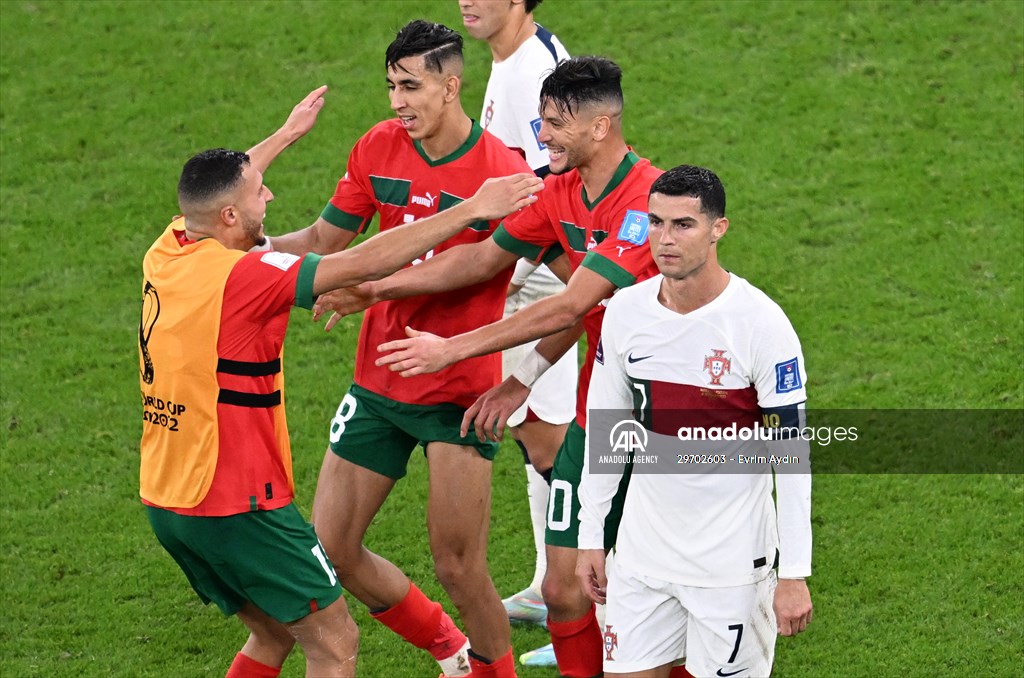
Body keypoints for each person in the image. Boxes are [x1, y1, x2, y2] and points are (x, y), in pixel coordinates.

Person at [138, 85, 543, 678]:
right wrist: (468, 210)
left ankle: (457, 652)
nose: (270, 194)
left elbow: (212, 195)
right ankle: (455, 649)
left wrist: (281, 137)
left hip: (167, 498)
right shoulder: (247, 277)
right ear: (230, 216)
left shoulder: (169, 247)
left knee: (275, 631)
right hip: (238, 499)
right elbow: (359, 263)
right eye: (258, 194)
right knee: (331, 641)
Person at [315, 55, 662, 678]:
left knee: (669, 587)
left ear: (601, 127)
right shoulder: (557, 190)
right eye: (541, 119)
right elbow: (479, 260)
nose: (542, 135)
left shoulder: (646, 204)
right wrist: (377, 290)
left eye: (555, 123)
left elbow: (574, 302)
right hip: (598, 412)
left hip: (669, 414)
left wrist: (453, 349)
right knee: (562, 591)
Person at [265, 20, 535, 677]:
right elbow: (327, 243)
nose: (397, 101)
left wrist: (372, 286)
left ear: (451, 85)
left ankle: (494, 669)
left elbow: (472, 268)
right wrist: (246, 251)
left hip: (457, 392)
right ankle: (446, 643)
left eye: (410, 86)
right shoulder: (377, 148)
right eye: (390, 86)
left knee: (458, 563)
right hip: (379, 385)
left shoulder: (502, 175)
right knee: (329, 546)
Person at [575, 165, 814, 677]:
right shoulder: (625, 312)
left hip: (730, 569)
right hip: (641, 558)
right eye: (655, 223)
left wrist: (793, 573)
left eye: (682, 225)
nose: (664, 240)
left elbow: (791, 460)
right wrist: (591, 535)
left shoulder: (761, 325)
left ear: (717, 229)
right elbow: (606, 431)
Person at [459, 0, 573, 645]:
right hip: (526, 270)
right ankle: (549, 584)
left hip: (538, 277)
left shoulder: (535, 71)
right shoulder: (510, 62)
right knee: (535, 435)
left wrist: (483, 259)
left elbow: (547, 180)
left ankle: (596, 603)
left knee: (551, 442)